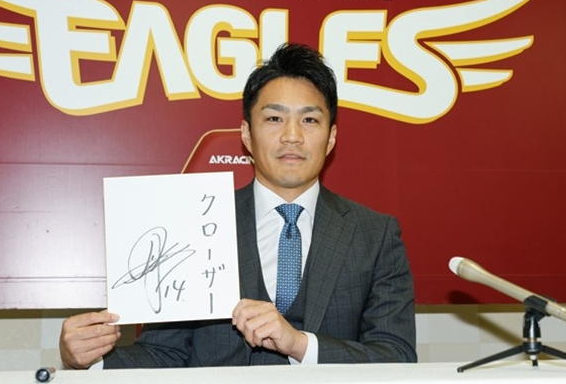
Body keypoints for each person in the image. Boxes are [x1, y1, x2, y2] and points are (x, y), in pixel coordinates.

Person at [60, 42, 417, 368]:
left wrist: (299, 344)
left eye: (309, 120)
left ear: (331, 137)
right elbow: (162, 353)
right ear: (246, 134)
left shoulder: (375, 235)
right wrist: (90, 360)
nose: (292, 135)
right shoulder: (192, 224)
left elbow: (396, 355)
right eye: (274, 118)